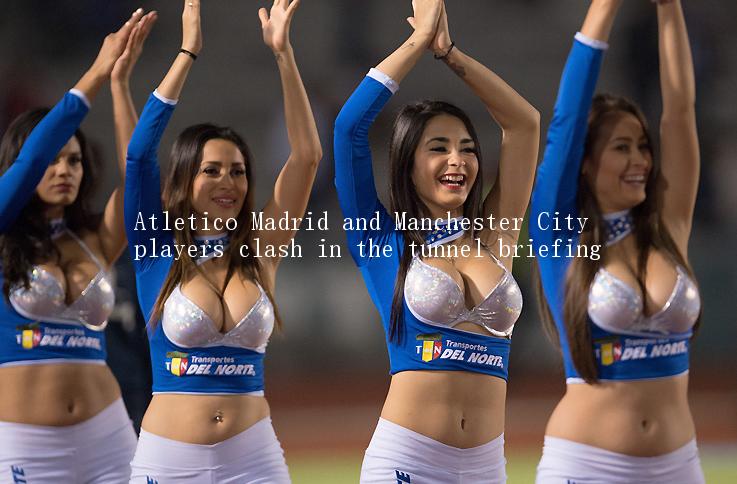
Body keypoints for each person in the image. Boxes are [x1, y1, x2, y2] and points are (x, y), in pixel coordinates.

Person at [334, 1, 540, 482]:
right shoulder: (381, 239)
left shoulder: (495, 235)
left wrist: (450, 54)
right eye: (439, 148)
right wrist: (417, 42)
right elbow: (348, 130)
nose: (458, 161)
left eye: (467, 148)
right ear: (408, 162)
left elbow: (525, 123)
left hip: (486, 465)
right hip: (407, 461)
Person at [125, 1, 321, 482]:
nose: (227, 181)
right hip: (169, 459)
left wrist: (283, 54)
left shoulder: (260, 250)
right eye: (210, 171)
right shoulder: (156, 248)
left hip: (253, 458)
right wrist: (187, 53)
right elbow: (138, 155)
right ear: (184, 180)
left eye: (237, 171)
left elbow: (307, 156)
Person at [530, 1, 704, 482]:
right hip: (587, 463)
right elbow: (566, 122)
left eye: (643, 146)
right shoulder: (560, 235)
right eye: (621, 147)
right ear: (585, 163)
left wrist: (669, 9)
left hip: (679, 463)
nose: (641, 160)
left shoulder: (667, 228)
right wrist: (604, 7)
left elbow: (681, 113)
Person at [0, 8, 156, 483]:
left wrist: (121, 84)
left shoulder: (93, 238)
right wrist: (94, 73)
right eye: (53, 160)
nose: (63, 169)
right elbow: (30, 161)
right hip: (27, 440)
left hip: (107, 434)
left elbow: (139, 181)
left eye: (74, 160)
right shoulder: (5, 236)